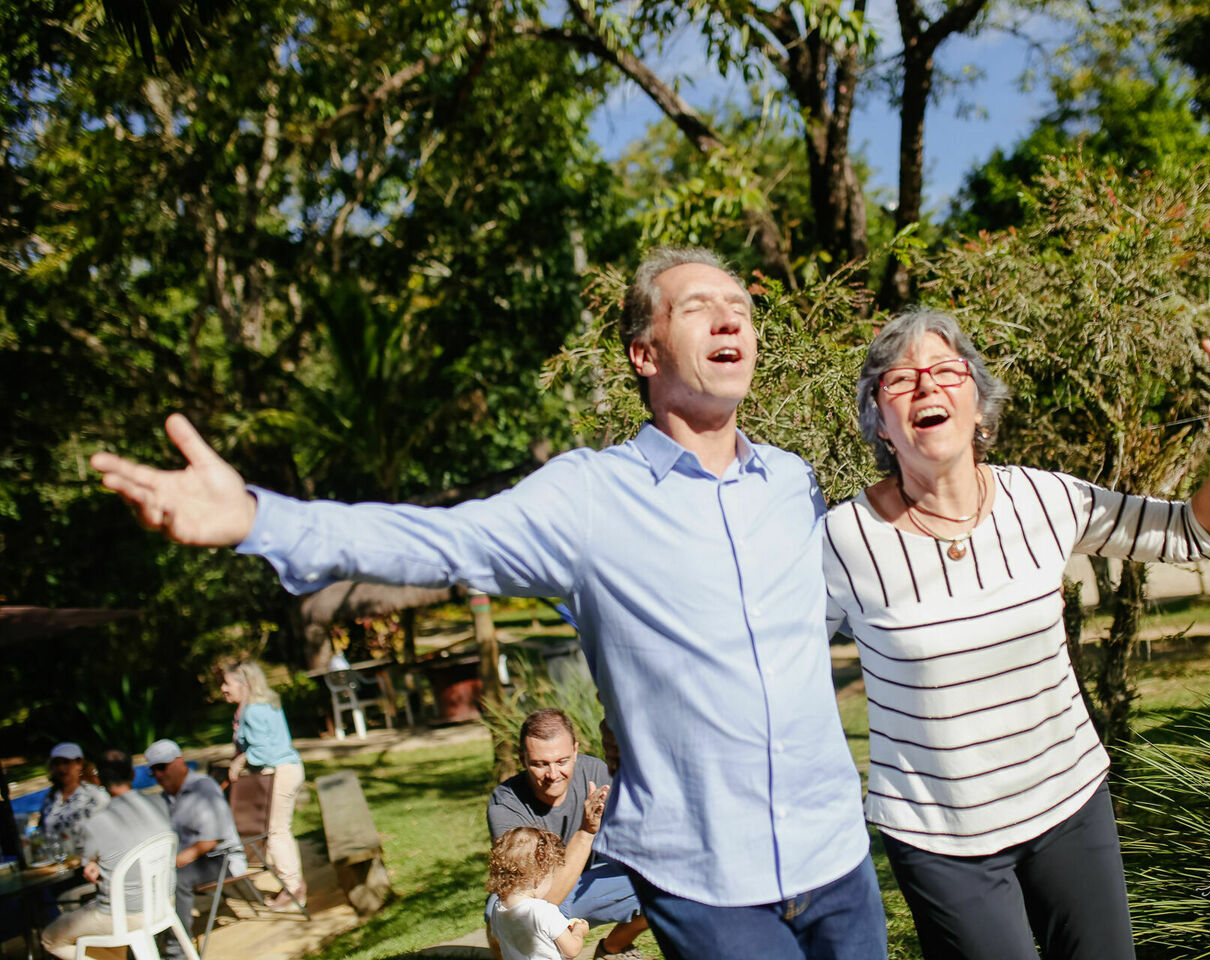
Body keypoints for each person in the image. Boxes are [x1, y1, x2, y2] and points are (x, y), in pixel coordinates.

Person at [91, 247, 886, 960]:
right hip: (708, 879)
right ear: (644, 353)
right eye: (699, 308)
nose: (731, 320)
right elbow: (442, 542)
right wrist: (261, 519)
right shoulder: (589, 496)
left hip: (837, 856)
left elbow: (818, 620)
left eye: (741, 310)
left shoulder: (792, 482)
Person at [822, 309, 1210, 960]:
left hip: (1070, 806)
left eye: (946, 370)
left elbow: (1198, 533)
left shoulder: (1045, 500)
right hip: (940, 839)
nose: (926, 386)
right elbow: (774, 663)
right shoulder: (841, 541)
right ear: (879, 421)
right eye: (900, 380)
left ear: (981, 409)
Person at [486, 710, 646, 960]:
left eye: (562, 761)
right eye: (540, 764)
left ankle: (614, 949)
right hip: (538, 894)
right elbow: (540, 899)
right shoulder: (506, 803)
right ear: (522, 757)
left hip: (588, 885)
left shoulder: (596, 772)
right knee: (497, 913)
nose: (552, 774)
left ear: (575, 750)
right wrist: (587, 831)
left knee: (662, 882)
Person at [40, 750, 175, 960]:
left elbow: (89, 870)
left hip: (125, 915)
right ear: (132, 774)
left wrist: (93, 865)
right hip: (165, 901)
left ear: (98, 779)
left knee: (50, 938)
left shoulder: (97, 822)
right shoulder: (160, 803)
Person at [143, 739, 246, 960]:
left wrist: (173, 862)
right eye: (154, 771)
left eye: (162, 767)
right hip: (191, 861)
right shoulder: (165, 798)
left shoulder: (203, 788)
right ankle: (148, 943)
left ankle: (176, 951)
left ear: (180, 762)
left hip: (222, 859)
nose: (159, 775)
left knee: (178, 878)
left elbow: (209, 840)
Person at [219, 659, 307, 907]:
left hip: (279, 772)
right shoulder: (263, 704)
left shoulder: (254, 711)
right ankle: (293, 882)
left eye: (227, 684)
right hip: (289, 767)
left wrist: (241, 760)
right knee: (277, 830)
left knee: (277, 832)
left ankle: (293, 888)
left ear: (244, 684)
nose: (224, 689)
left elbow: (265, 751)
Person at [487, 826, 590, 960]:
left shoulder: (498, 908)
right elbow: (572, 950)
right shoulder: (543, 911)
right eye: (550, 875)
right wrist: (579, 931)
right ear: (538, 877)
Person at [38, 743, 109, 857]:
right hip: (56, 861)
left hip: (90, 860)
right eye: (57, 763)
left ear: (79, 764)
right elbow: (41, 832)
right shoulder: (50, 798)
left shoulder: (95, 795)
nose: (61, 768)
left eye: (66, 762)